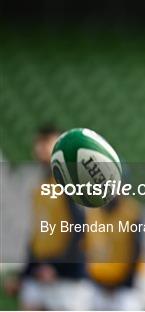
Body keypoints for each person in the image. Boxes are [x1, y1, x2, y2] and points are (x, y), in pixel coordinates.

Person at [19, 124, 91, 310]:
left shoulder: (69, 183)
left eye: (47, 142)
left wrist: (56, 267)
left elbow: (80, 228)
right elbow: (38, 233)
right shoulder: (39, 186)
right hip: (41, 272)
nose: (41, 148)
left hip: (64, 276)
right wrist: (25, 272)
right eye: (39, 142)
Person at [85, 196, 144, 310]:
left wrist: (118, 284)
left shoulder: (132, 212)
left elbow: (135, 252)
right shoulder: (94, 212)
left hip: (124, 286)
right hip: (97, 284)